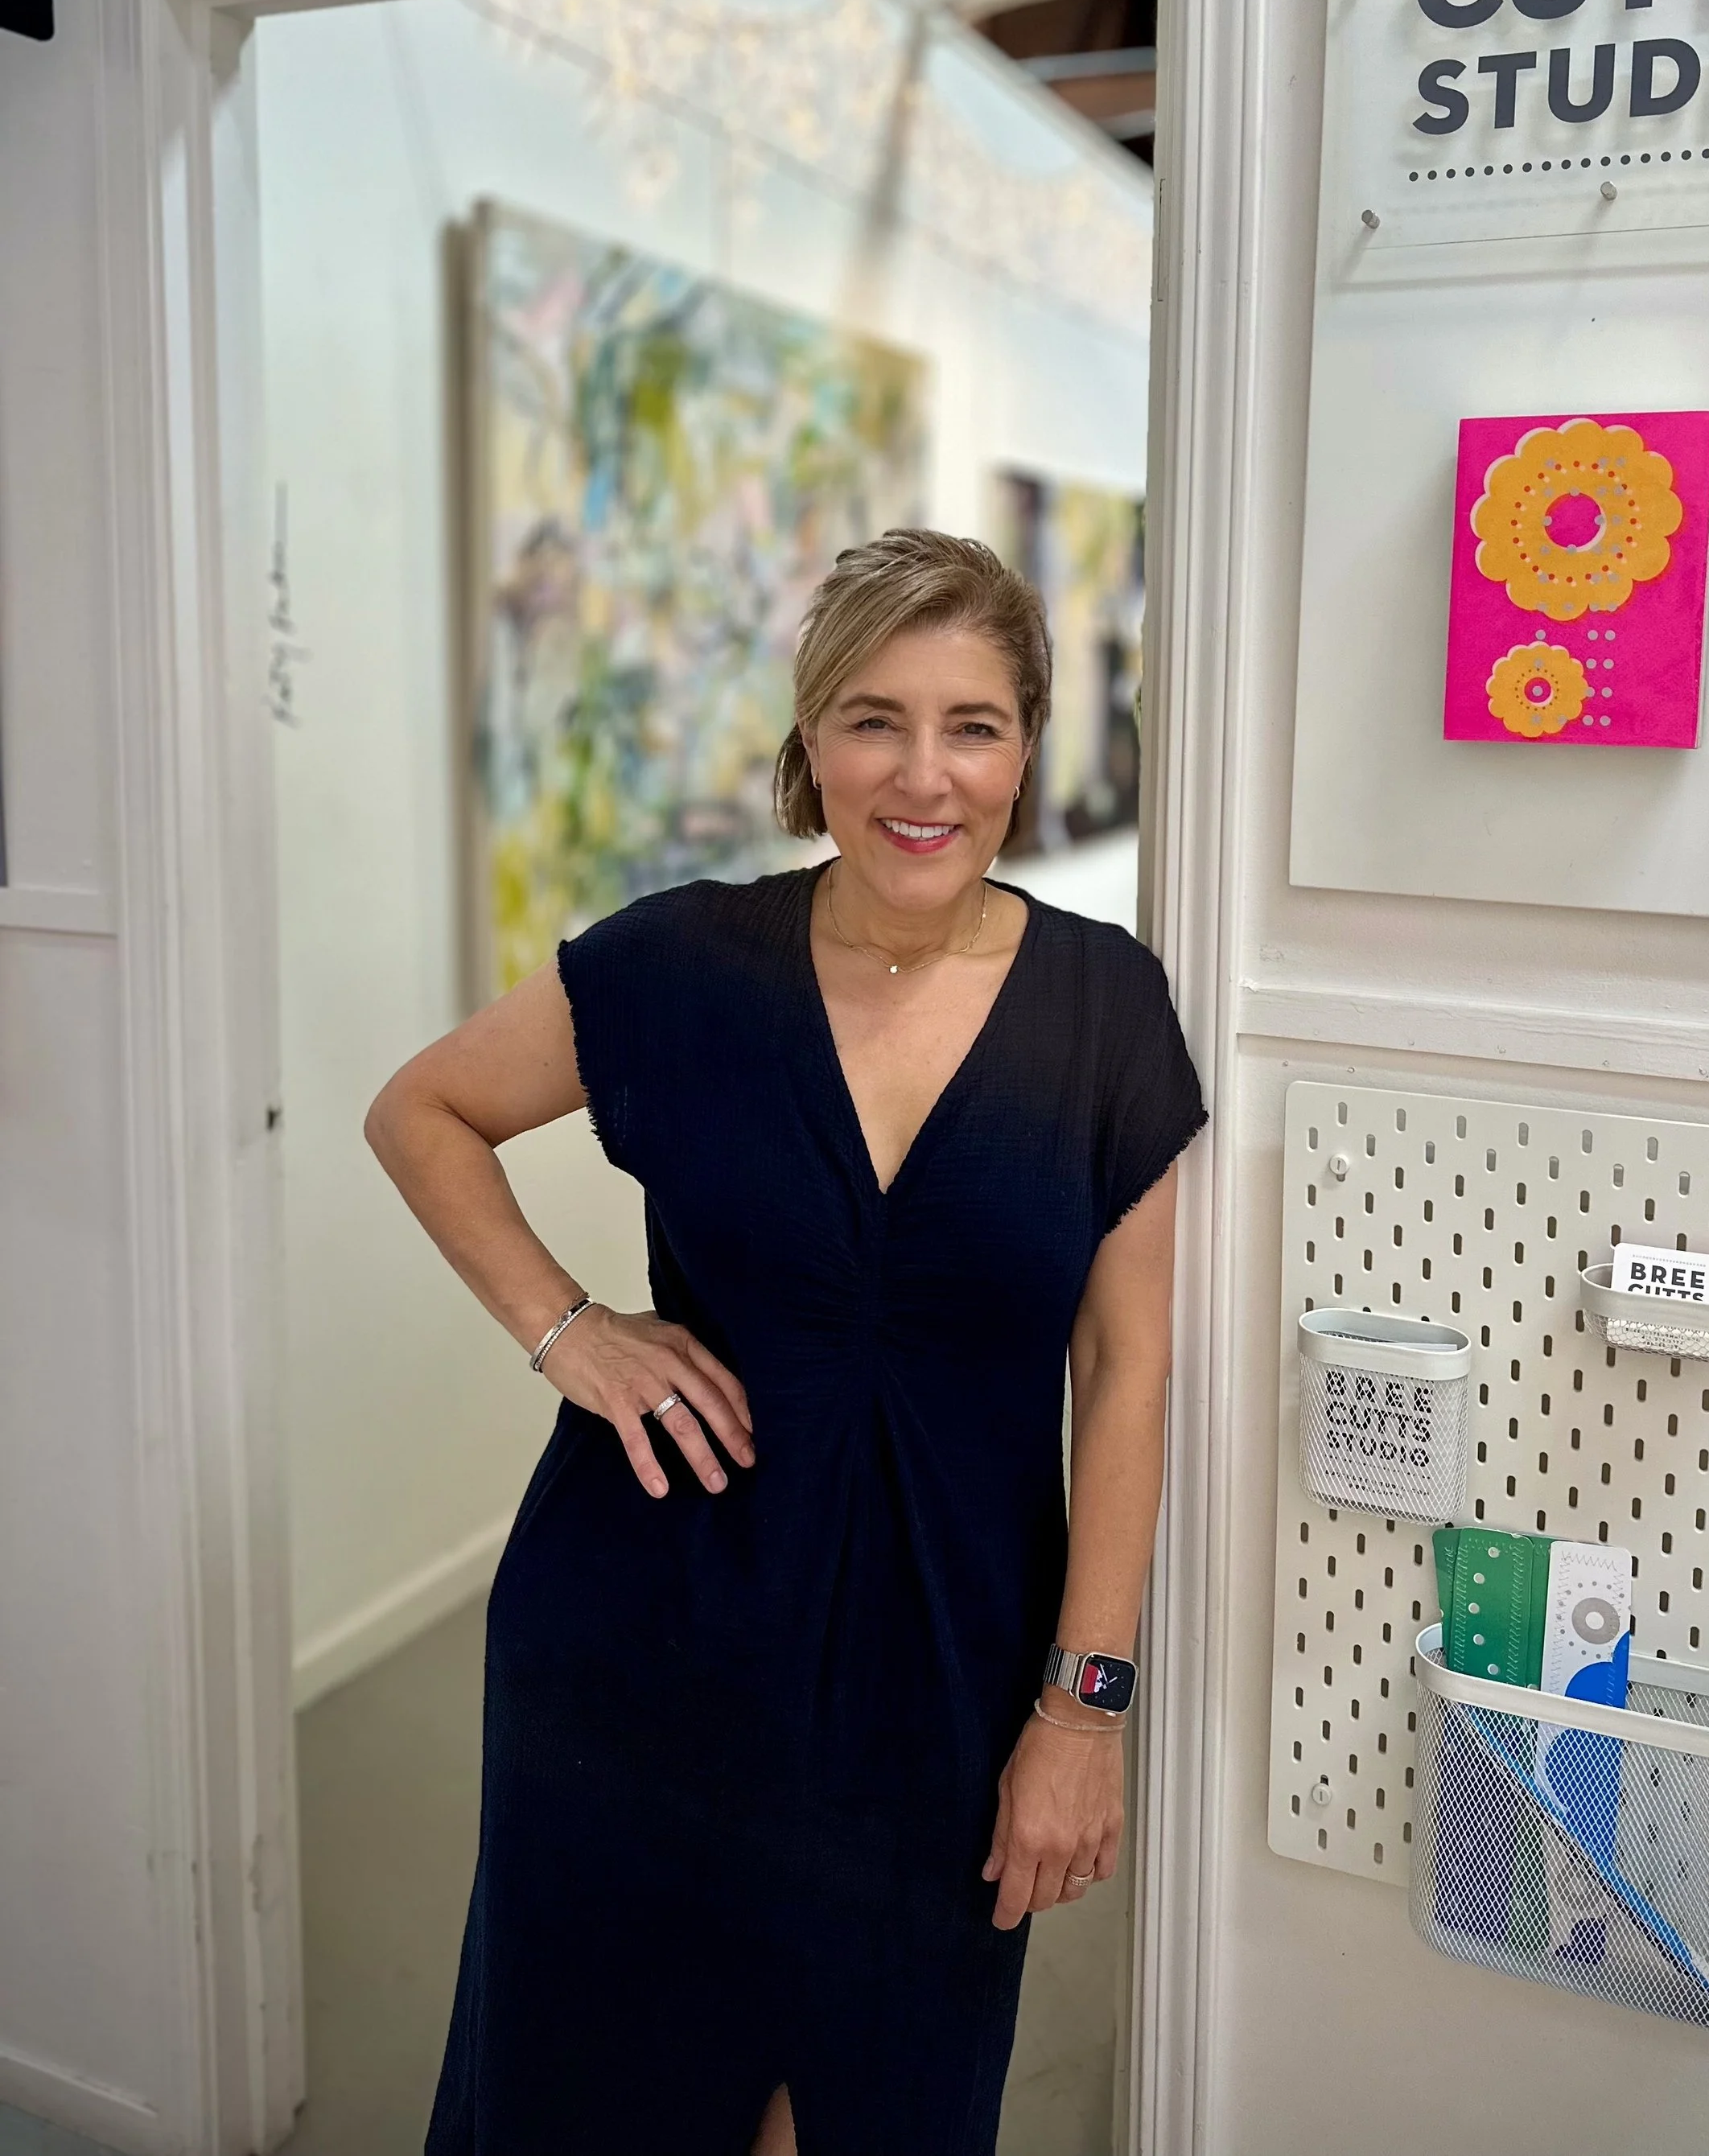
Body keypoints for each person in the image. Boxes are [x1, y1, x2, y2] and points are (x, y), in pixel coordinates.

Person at [366, 528, 1208, 2156]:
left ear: (1026, 747)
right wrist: (567, 1328)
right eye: (872, 717)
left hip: (941, 1687)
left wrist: (1081, 1711)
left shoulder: (1104, 1012)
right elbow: (424, 1111)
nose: (921, 773)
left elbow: (1126, 1373)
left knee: (876, 2101)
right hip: (641, 1647)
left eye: (971, 723)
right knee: (599, 2100)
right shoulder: (679, 964)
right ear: (808, 740)